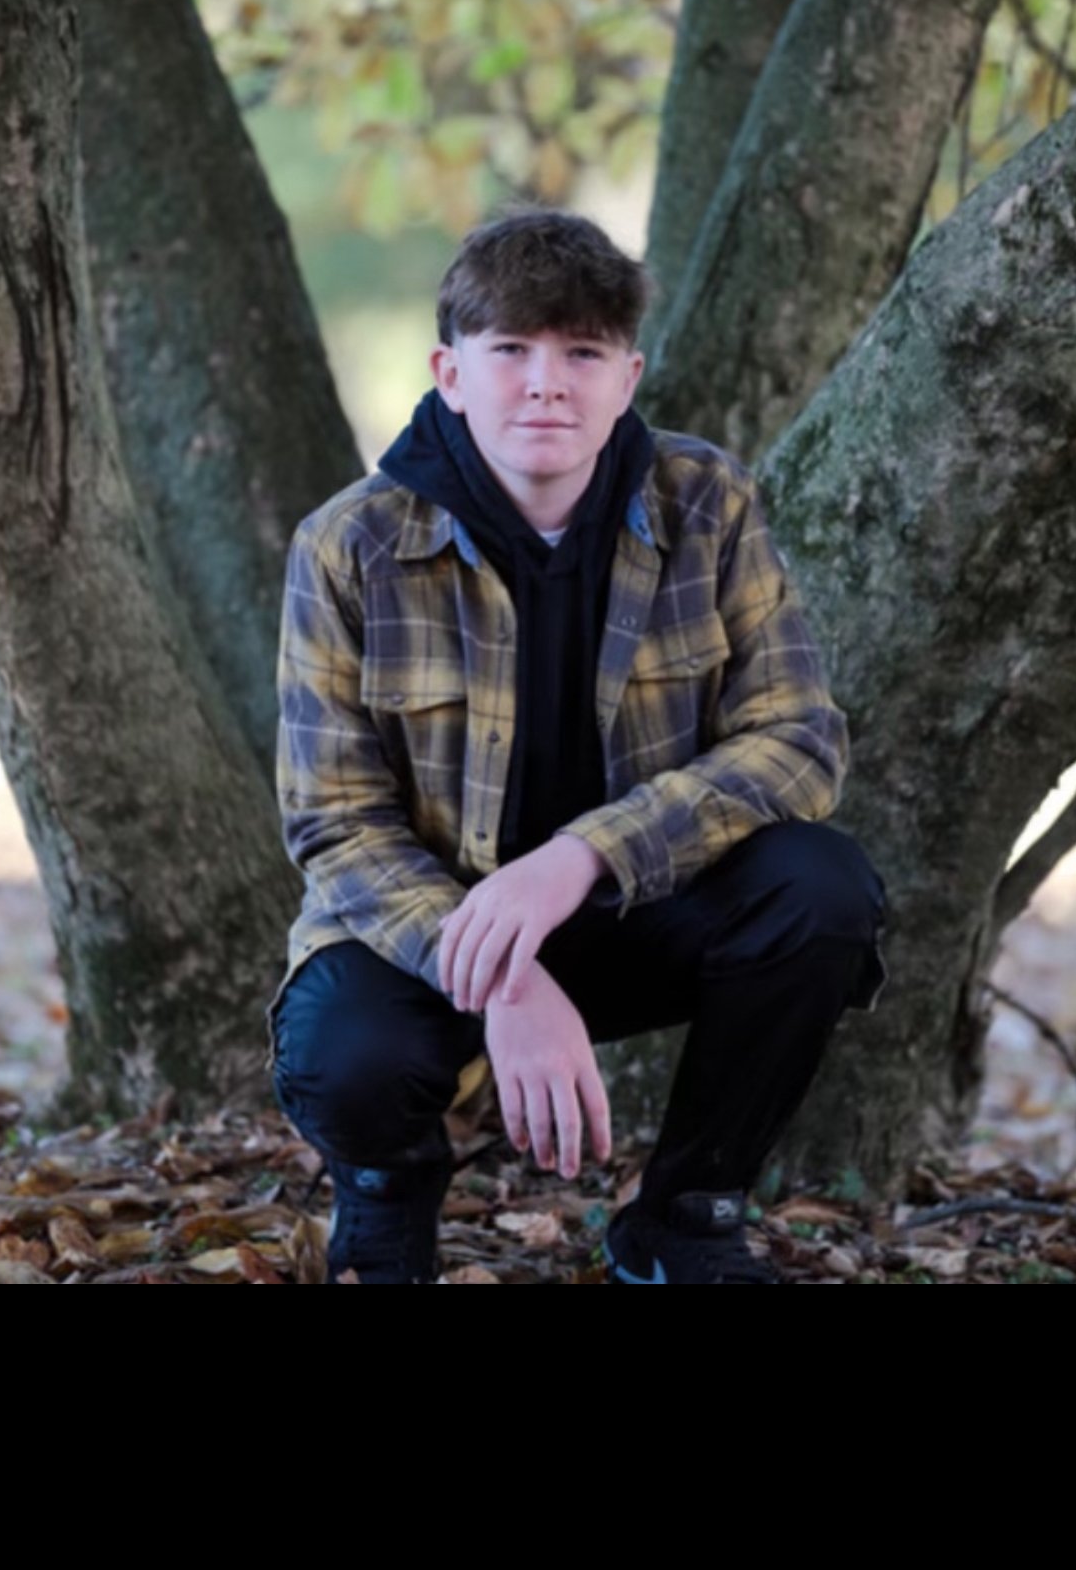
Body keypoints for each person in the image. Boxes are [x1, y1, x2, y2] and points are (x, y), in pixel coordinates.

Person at [270, 210, 887, 1284]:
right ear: (449, 372)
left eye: (582, 354)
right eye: (510, 350)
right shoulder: (348, 546)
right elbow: (335, 823)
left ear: (628, 376)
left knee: (820, 889)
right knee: (342, 1046)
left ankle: (687, 1215)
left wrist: (582, 857)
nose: (546, 384)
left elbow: (798, 741)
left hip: (640, 910)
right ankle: (383, 1203)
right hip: (434, 932)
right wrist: (505, 972)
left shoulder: (708, 504)